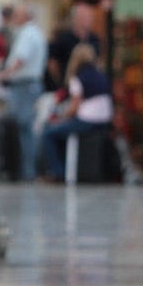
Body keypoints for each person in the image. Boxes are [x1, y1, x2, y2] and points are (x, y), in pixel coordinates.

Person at [40, 43, 114, 182]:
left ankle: (58, 172)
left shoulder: (78, 78)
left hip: (87, 120)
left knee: (48, 133)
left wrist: (61, 117)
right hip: (104, 120)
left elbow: (74, 107)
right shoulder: (102, 75)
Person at [0, 5, 48, 181]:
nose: (13, 19)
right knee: (25, 128)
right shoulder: (34, 33)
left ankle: (26, 171)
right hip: (28, 85)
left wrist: (3, 74)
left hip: (24, 85)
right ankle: (27, 170)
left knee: (22, 127)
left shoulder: (27, 34)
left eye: (17, 15)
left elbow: (20, 59)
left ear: (26, 16)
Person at [48, 0, 101, 92]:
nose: (89, 20)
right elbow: (53, 63)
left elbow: (97, 61)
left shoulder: (94, 39)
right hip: (68, 87)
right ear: (77, 19)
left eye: (90, 17)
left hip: (89, 88)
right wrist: (61, 82)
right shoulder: (63, 38)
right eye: (85, 17)